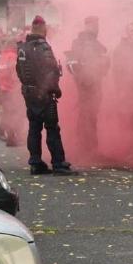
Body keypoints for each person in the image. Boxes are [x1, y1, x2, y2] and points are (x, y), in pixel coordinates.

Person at [16, 16, 73, 175]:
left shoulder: (22, 47)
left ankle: (35, 163)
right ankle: (58, 163)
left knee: (34, 128)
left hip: (29, 94)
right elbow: (51, 71)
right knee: (52, 128)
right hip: (44, 95)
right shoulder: (43, 47)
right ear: (42, 28)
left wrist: (29, 87)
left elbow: (19, 71)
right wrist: (54, 89)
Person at [66, 16, 110, 153]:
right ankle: (85, 146)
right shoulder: (80, 43)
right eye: (95, 25)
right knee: (87, 114)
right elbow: (71, 65)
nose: (97, 27)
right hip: (87, 85)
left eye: (97, 24)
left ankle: (89, 145)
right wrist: (83, 79)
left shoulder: (94, 43)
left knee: (90, 114)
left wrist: (102, 69)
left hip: (94, 83)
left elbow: (104, 62)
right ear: (88, 26)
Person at [0, 38, 24, 145]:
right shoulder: (13, 57)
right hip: (11, 89)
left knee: (7, 112)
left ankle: (0, 132)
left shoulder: (2, 57)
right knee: (13, 113)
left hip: (3, 88)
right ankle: (11, 139)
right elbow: (15, 74)